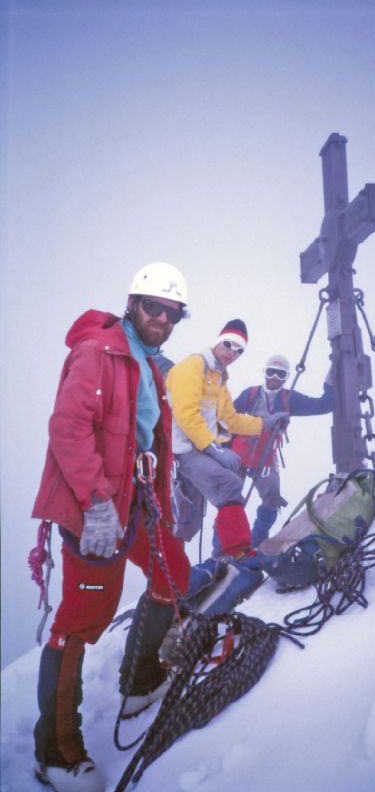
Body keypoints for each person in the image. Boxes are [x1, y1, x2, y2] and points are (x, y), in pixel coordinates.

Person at [31, 262, 192, 792]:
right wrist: (97, 502)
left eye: (173, 314)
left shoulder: (147, 363)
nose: (162, 319)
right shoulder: (99, 351)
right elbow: (69, 427)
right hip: (97, 504)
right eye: (154, 307)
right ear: (132, 304)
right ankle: (56, 753)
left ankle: (141, 679)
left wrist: (160, 499)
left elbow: (146, 437)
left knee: (174, 573)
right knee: (81, 621)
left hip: (138, 499)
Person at [165, 319, 288, 557]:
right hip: (184, 451)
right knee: (228, 485)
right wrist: (213, 449)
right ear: (218, 341)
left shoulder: (219, 379)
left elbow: (230, 419)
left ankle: (201, 560)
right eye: (229, 345)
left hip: (200, 451)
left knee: (191, 522)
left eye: (239, 350)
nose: (233, 353)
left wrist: (264, 424)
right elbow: (185, 413)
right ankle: (236, 553)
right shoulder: (193, 366)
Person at [232, 354, 334, 546]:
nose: (274, 379)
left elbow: (323, 405)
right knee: (229, 500)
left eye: (280, 375)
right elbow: (227, 418)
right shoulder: (250, 394)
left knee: (272, 498)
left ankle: (257, 542)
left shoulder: (289, 398)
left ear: (286, 377)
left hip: (265, 457)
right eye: (271, 373)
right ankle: (222, 547)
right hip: (239, 454)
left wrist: (332, 376)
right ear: (265, 373)